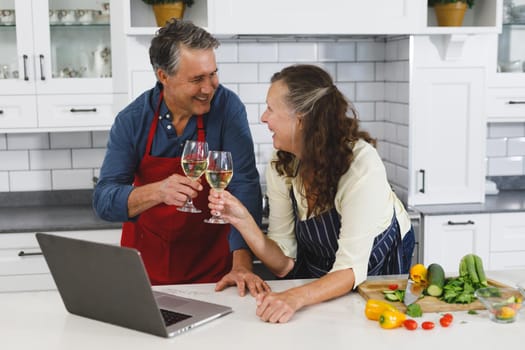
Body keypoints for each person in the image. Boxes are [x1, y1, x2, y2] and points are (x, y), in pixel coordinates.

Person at [208, 64, 415, 323]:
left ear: (301, 119)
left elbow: (350, 270)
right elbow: (283, 263)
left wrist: (295, 297)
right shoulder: (282, 162)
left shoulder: (361, 164)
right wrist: (242, 221)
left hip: (376, 264)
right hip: (323, 273)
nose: (263, 117)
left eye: (271, 109)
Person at [93, 19, 269, 296]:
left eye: (212, 74)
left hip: (215, 272)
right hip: (144, 272)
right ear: (164, 77)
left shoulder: (227, 109)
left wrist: (242, 265)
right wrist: (157, 192)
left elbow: (244, 185)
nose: (209, 87)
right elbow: (103, 200)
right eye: (197, 79)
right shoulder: (132, 120)